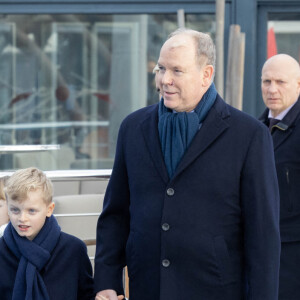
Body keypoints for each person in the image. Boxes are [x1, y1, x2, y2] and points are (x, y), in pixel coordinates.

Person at [94, 28, 281, 300]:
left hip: (216, 290)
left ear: (206, 75)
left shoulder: (249, 135)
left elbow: (263, 236)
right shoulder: (133, 128)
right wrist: (106, 280)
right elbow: (116, 214)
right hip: (148, 287)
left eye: (177, 71)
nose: (165, 80)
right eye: (161, 68)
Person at [0, 167, 94, 300]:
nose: (22, 218)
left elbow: (86, 295)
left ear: (49, 209)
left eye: (31, 211)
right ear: (8, 208)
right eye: (15, 210)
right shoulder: (2, 251)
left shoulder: (73, 249)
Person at [259, 54, 300, 300]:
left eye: (280, 82)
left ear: (298, 84)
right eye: (266, 81)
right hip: (263, 252)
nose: (272, 89)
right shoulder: (255, 129)